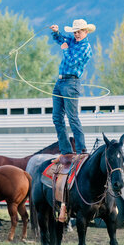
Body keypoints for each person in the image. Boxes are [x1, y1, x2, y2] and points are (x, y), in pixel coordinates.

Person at [50, 19, 95, 159]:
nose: (76, 34)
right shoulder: (72, 41)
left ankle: (81, 149)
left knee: (72, 117)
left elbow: (71, 60)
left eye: (79, 32)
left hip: (71, 83)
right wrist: (56, 32)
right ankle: (66, 150)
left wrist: (65, 49)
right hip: (60, 81)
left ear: (86, 32)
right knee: (57, 117)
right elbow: (61, 39)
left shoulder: (85, 48)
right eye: (75, 32)